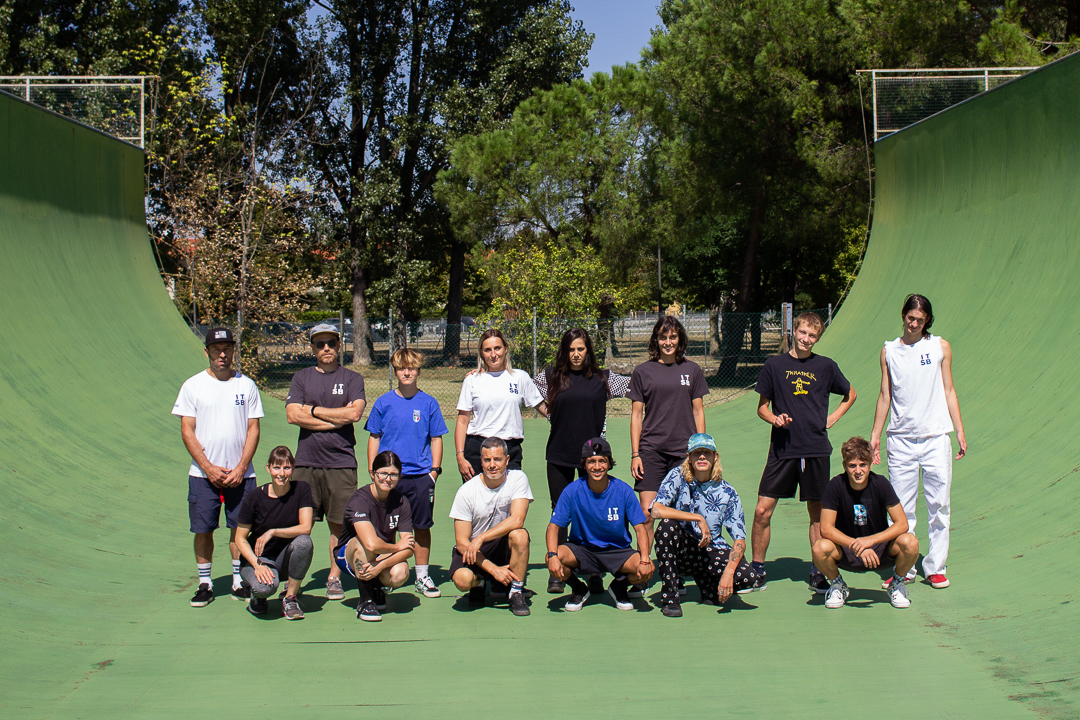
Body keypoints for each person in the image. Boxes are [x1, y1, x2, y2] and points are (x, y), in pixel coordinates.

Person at [750, 311, 856, 593]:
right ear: (793, 331)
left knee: (817, 514)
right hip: (783, 450)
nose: (807, 339)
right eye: (803, 333)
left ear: (817, 338)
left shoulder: (826, 366)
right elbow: (762, 407)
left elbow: (850, 393)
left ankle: (818, 569)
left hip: (816, 449)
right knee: (762, 510)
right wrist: (775, 419)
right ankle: (758, 569)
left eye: (813, 336)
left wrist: (832, 418)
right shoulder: (774, 365)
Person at [870, 294, 966, 589]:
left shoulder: (939, 347)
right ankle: (906, 567)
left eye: (920, 320)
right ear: (903, 316)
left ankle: (935, 566)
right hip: (900, 442)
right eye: (910, 318)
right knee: (901, 510)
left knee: (940, 505)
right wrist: (875, 435)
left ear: (927, 321)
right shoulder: (889, 351)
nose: (913, 324)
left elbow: (949, 390)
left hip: (936, 439)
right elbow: (885, 395)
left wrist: (959, 430)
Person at [533, 328, 631, 593]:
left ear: (588, 351)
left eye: (581, 349)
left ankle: (593, 570)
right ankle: (559, 571)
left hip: (592, 457)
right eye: (571, 349)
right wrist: (549, 413)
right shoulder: (551, 376)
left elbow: (638, 384)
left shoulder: (603, 379)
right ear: (565, 351)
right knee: (560, 512)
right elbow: (523, 388)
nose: (576, 355)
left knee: (590, 512)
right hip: (559, 455)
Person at [173, 327, 264, 607]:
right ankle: (205, 583)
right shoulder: (193, 385)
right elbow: (187, 430)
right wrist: (208, 467)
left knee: (240, 529)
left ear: (233, 350)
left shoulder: (246, 385)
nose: (222, 354)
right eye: (216, 349)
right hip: (203, 476)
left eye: (226, 349)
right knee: (204, 529)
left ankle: (238, 580)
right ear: (207, 352)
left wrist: (241, 467)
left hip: (242, 475)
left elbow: (253, 429)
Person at [285, 322, 366, 602]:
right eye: (320, 344)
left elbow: (354, 415)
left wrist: (315, 411)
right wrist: (335, 418)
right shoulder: (301, 378)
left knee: (338, 525)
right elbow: (293, 415)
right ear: (313, 349)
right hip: (306, 463)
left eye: (331, 343)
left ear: (339, 345)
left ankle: (334, 577)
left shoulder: (353, 378)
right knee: (298, 525)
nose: (326, 348)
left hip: (341, 463)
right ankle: (291, 580)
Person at [628, 315, 708, 596]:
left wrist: (701, 449)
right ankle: (644, 569)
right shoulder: (643, 372)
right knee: (648, 513)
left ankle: (676, 571)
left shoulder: (693, 370)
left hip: (683, 454)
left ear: (680, 340)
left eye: (673, 337)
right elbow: (637, 415)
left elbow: (698, 411)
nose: (668, 342)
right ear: (655, 341)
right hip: (651, 451)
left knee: (682, 514)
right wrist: (636, 453)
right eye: (663, 337)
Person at [365, 348, 449, 599]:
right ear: (395, 371)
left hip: (421, 477)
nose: (407, 372)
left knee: (421, 527)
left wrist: (433, 471)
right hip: (390, 478)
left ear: (419, 371)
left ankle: (422, 575)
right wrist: (374, 470)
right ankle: (383, 575)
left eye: (412, 367)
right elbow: (374, 437)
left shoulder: (429, 403)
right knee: (386, 527)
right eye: (402, 368)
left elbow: (436, 438)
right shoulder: (383, 402)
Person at [651, 434, 760, 618]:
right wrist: (697, 518)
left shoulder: (728, 492)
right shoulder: (677, 476)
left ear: (715, 456)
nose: (702, 457)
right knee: (666, 526)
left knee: (748, 577)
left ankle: (708, 584)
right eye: (697, 453)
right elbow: (656, 510)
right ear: (689, 457)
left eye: (706, 453)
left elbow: (739, 539)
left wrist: (728, 573)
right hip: (683, 550)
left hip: (710, 551)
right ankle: (670, 598)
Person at [545, 438, 653, 612]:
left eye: (602, 461)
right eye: (591, 462)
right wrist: (552, 555)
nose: (597, 467)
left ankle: (619, 587)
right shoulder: (572, 490)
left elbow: (640, 529)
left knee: (647, 569)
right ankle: (579, 588)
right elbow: (553, 527)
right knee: (554, 557)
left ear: (609, 463)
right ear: (585, 465)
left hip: (618, 551)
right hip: (582, 550)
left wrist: (645, 559)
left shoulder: (623, 490)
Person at [813, 437, 920, 609]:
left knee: (910, 542)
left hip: (879, 550)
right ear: (844, 466)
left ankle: (897, 584)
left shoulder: (881, 484)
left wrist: (871, 541)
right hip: (847, 549)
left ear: (870, 464)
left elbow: (902, 524)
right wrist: (856, 545)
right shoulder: (835, 485)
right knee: (820, 547)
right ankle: (837, 585)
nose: (858, 470)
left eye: (863, 464)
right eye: (852, 465)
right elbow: (826, 528)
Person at [448, 437, 533, 616]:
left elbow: (518, 519)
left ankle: (516, 592)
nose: (492, 465)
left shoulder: (518, 478)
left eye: (497, 459)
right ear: (481, 461)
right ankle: (479, 582)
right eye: (487, 460)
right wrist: (493, 570)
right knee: (462, 581)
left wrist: (481, 537)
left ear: (507, 460)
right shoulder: (466, 491)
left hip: (499, 544)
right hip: (475, 552)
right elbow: (462, 543)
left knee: (520, 535)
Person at [454, 328, 546, 481]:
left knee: (510, 502)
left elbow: (543, 407)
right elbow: (462, 421)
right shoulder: (472, 380)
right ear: (482, 353)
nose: (493, 354)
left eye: (497, 348)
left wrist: (563, 416)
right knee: (477, 503)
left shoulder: (520, 377)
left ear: (505, 349)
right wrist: (460, 457)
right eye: (487, 350)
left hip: (510, 450)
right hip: (478, 450)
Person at [335, 451, 415, 622]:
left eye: (393, 474)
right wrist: (396, 547)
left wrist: (380, 567)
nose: (388, 479)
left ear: (399, 477)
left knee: (400, 573)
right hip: (349, 555)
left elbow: (408, 548)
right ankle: (365, 601)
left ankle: (376, 586)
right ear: (373, 474)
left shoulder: (402, 502)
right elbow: (371, 544)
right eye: (383, 473)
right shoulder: (360, 500)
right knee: (365, 546)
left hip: (382, 554)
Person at [234, 446, 314, 619]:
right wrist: (257, 565)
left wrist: (273, 531)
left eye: (286, 468)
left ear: (293, 468)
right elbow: (240, 539)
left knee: (304, 542)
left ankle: (290, 598)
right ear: (268, 468)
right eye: (276, 467)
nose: (282, 473)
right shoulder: (254, 498)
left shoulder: (302, 489)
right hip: (259, 558)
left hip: (285, 558)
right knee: (265, 588)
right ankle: (257, 595)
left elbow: (305, 527)